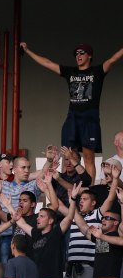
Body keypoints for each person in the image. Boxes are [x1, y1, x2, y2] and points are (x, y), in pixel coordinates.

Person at [20, 42, 123, 182]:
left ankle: (88, 190)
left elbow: (113, 59)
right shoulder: (71, 72)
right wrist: (28, 51)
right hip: (73, 117)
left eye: (82, 53)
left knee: (88, 157)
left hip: (90, 118)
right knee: (68, 156)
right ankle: (66, 189)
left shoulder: (97, 71)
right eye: (76, 54)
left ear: (89, 55)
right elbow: (47, 63)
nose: (78, 56)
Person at [11, 184, 80, 278]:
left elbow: (69, 217)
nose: (38, 218)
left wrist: (73, 200)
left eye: (41, 216)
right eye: (38, 216)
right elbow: (20, 222)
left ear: (50, 221)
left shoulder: (55, 233)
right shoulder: (35, 233)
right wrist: (8, 204)